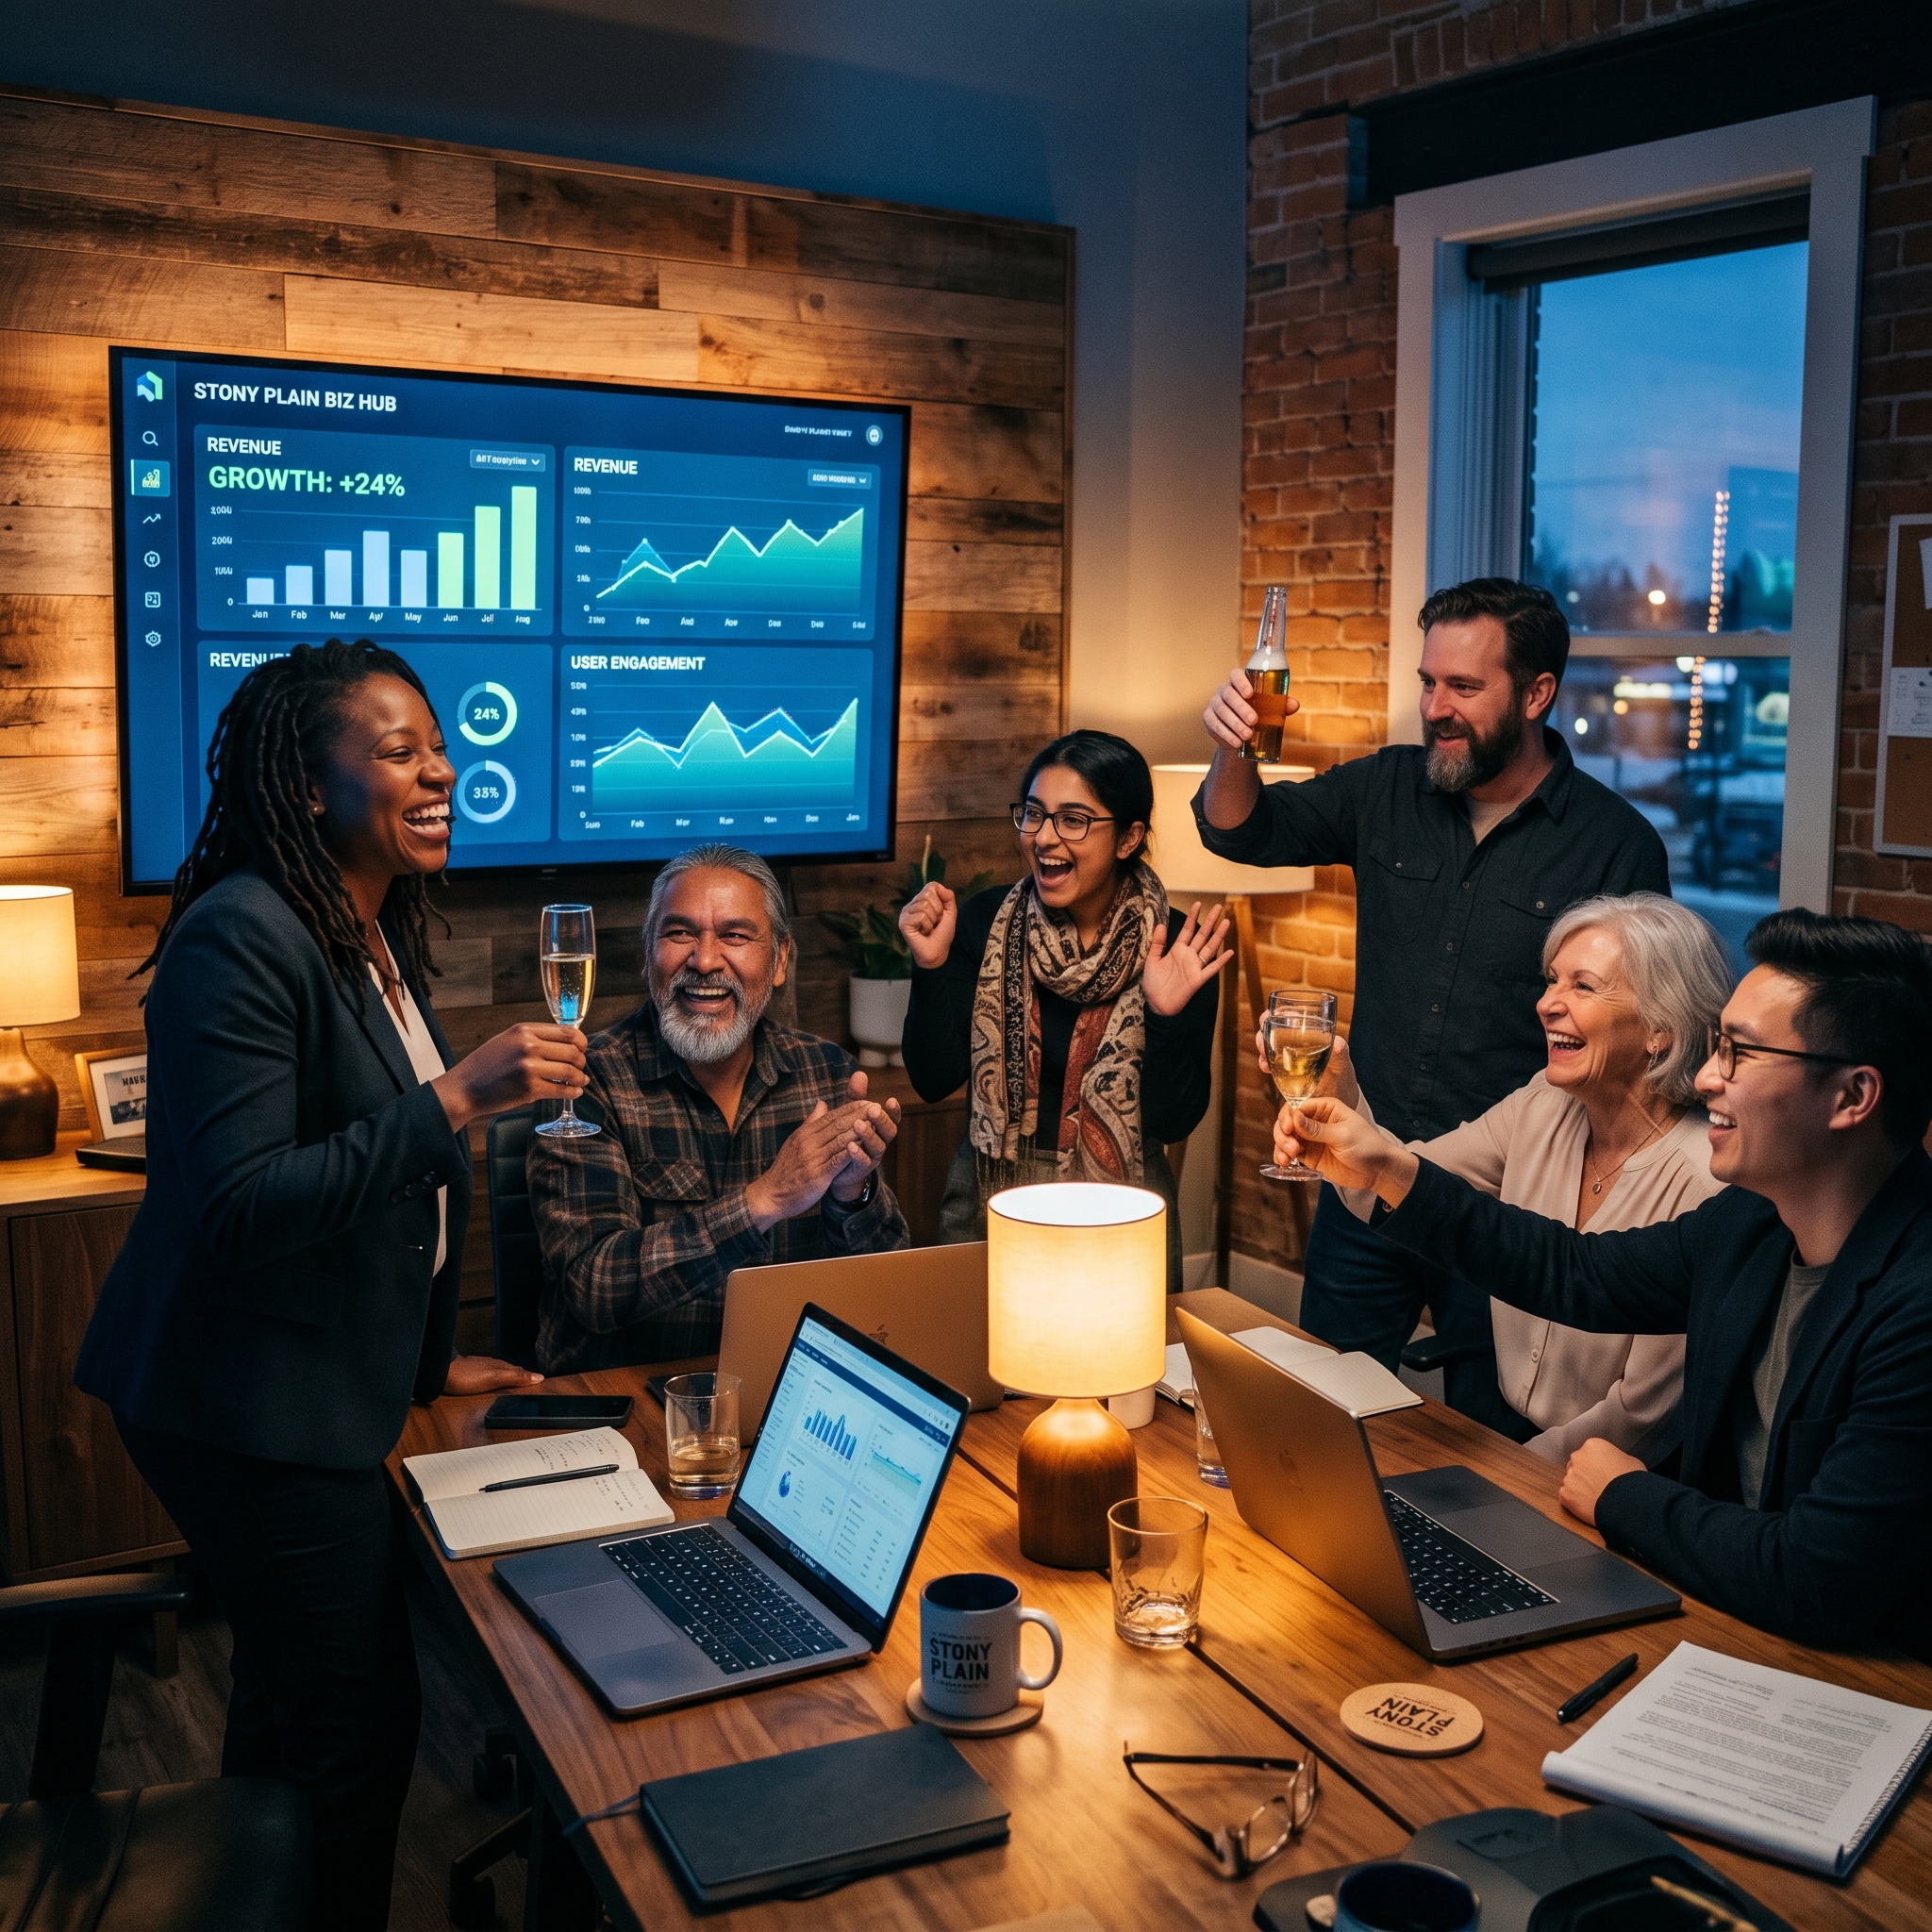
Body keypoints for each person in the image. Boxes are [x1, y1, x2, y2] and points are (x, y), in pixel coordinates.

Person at [74, 641, 588, 1931]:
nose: (441, 767)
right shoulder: (238, 934)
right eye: (400, 746)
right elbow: (244, 1207)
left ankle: (253, 1898)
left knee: (294, 1701)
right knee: (356, 1726)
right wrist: (456, 1097)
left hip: (307, 1381)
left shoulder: (362, 926)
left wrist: (427, 1364)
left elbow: (386, 1206)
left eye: (440, 745)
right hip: (242, 1402)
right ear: (308, 785)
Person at [1274, 908, 1932, 1651]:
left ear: (1853, 1097)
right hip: (1728, 1613)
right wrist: (1386, 1168)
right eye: (1718, 1047)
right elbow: (1573, 1271)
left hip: (1858, 1676)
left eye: (1741, 1055)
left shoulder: (1917, 1306)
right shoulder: (1751, 1225)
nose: (1709, 1077)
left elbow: (1818, 1579)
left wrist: (1624, 1494)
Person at [1197, 576, 1670, 1428]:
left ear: (1537, 694)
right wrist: (1235, 745)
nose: (1436, 708)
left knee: (1500, 1429)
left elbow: (1634, 1033)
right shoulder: (1386, 788)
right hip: (1366, 1170)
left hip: (1510, 1200)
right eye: (1427, 683)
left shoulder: (1616, 844)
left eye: (1463, 687)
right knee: (1322, 1410)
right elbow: (1242, 830)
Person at [1310, 891, 1730, 1461]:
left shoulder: (1706, 1181)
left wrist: (1507, 1477)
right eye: (1552, 980)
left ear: (1661, 1028)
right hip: (1502, 1435)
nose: (1547, 1004)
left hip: (1612, 1477)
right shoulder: (1540, 1105)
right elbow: (1407, 1187)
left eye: (1582, 986)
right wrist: (1342, 1096)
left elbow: (1643, 1418)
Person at [529, 843, 908, 1373]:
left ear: (778, 961)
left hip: (777, 1395)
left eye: (734, 936)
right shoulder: (584, 1083)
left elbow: (885, 1289)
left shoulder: (828, 1076)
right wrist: (765, 1199)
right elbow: (594, 1286)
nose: (704, 961)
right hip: (621, 1405)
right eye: (680, 933)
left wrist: (853, 1195)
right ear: (647, 955)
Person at [900, 729, 1226, 1288]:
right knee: (971, 1372)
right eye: (1034, 814)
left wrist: (1165, 1013)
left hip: (1124, 1209)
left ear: (1128, 838)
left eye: (1073, 819)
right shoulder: (983, 921)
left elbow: (1173, 1121)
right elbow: (933, 1080)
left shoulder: (1176, 945)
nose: (1044, 838)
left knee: (1130, 1375)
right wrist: (930, 967)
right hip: (990, 1197)